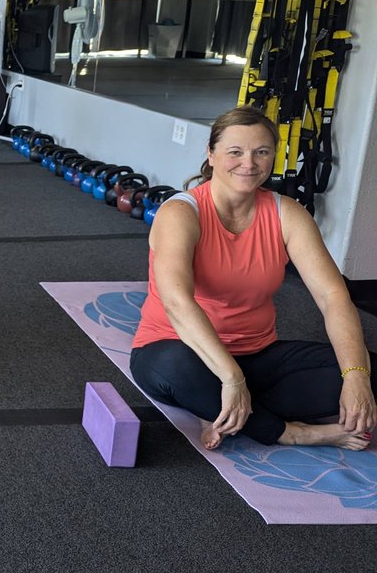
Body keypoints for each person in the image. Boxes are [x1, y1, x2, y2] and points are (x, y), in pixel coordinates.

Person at [130, 106, 377, 451]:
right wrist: (230, 378)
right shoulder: (181, 213)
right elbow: (176, 303)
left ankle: (221, 410)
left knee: (369, 370)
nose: (249, 163)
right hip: (182, 353)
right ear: (211, 155)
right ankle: (291, 431)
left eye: (261, 152)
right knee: (172, 368)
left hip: (258, 355)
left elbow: (333, 297)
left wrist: (356, 378)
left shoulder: (287, 214)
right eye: (235, 152)